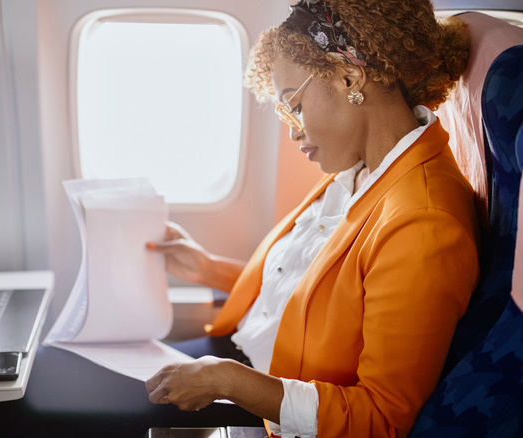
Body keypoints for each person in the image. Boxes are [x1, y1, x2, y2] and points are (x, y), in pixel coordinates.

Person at [144, 0, 480, 436]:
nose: (293, 130)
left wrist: (227, 380)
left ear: (350, 77)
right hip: (244, 351)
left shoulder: (424, 223)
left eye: (295, 106)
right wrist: (207, 268)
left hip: (276, 398)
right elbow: (314, 291)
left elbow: (381, 417)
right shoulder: (362, 168)